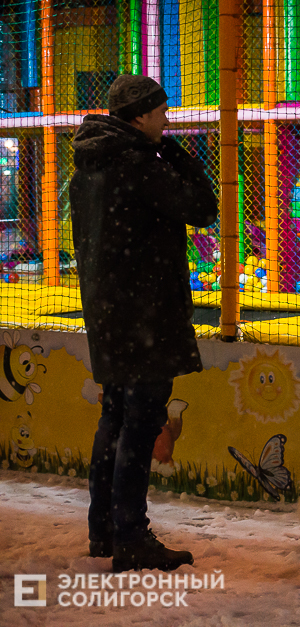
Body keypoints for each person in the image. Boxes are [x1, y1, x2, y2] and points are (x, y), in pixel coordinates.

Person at [70, 74, 218, 572]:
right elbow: (203, 209)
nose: (167, 118)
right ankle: (131, 534)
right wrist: (179, 158)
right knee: (141, 423)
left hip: (110, 314)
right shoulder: (137, 165)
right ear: (138, 116)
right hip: (146, 317)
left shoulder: (90, 166)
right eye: (161, 111)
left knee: (114, 417)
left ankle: (105, 530)